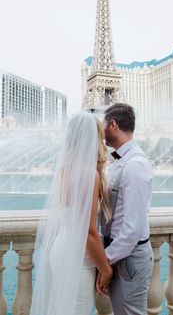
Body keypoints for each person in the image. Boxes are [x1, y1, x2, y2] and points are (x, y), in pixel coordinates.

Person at [30, 111, 112, 315]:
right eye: (99, 137)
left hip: (60, 249)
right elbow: (89, 232)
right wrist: (106, 269)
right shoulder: (88, 174)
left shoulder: (65, 169)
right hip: (79, 256)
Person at [97, 103, 154, 315]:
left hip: (128, 258)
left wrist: (104, 261)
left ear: (112, 125)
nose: (101, 130)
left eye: (103, 124)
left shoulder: (135, 165)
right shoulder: (123, 161)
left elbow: (132, 229)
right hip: (121, 254)